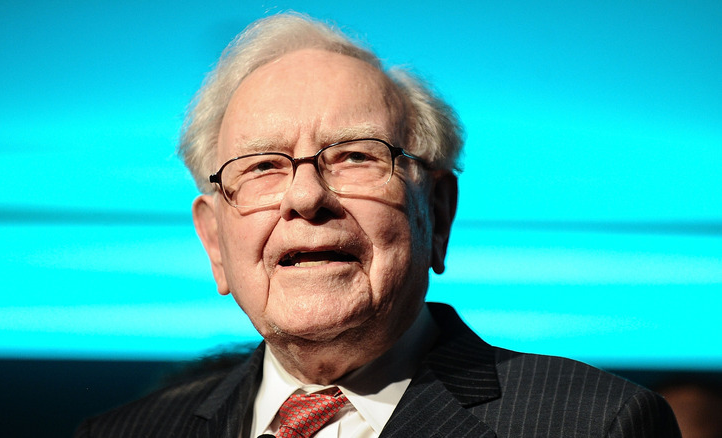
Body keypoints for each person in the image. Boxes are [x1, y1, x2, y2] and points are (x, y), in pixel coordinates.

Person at [75, 12, 680, 437]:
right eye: (262, 167)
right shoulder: (121, 433)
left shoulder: (595, 424)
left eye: (355, 156)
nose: (306, 197)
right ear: (213, 241)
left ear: (436, 213)